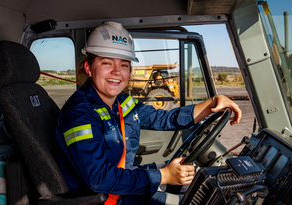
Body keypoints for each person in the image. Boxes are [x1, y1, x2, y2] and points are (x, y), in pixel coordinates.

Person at [55, 21, 242, 205]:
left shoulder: (122, 103)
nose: (116, 72)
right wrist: (163, 175)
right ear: (88, 68)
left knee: (199, 189)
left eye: (124, 65)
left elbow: (164, 118)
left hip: (123, 188)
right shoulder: (79, 114)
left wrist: (212, 103)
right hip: (107, 199)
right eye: (106, 63)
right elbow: (99, 179)